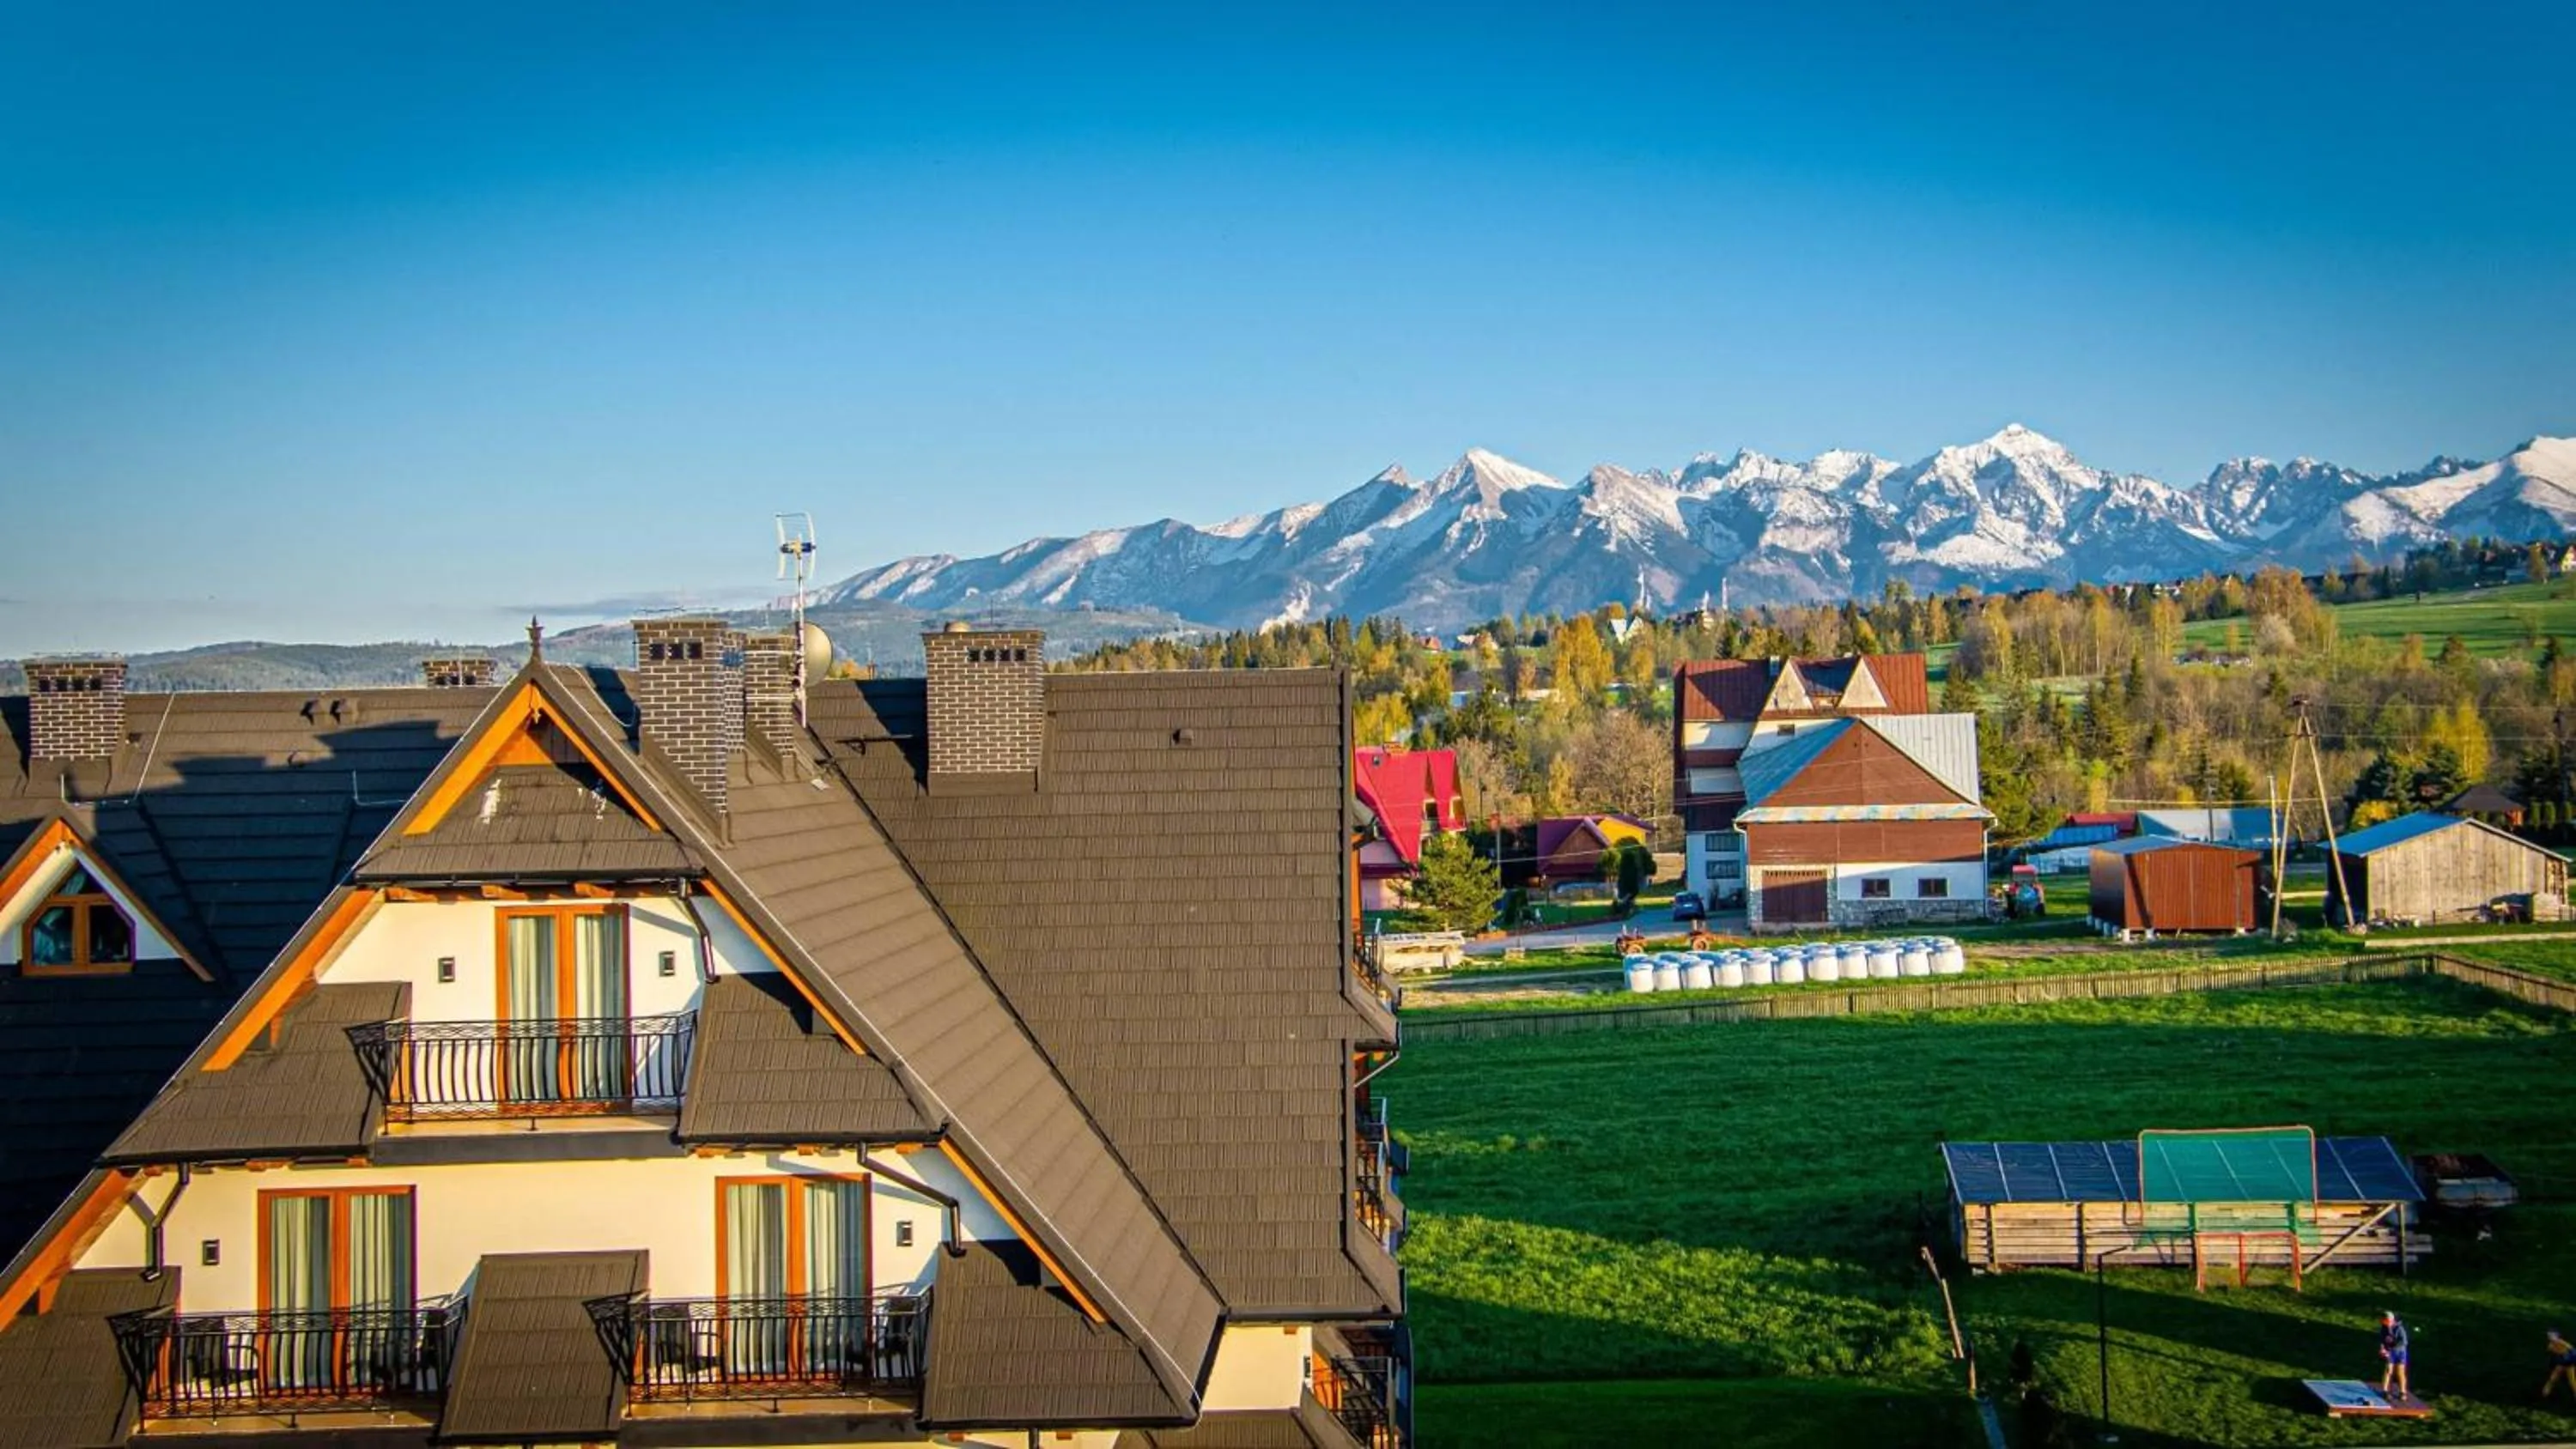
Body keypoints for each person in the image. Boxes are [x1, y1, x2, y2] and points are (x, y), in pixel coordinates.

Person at [2379, 1311, 2411, 1400]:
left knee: (2400, 1372)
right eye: (2384, 1321)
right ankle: (2385, 1391)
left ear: (2392, 1320)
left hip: (2400, 1353)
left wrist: (2393, 1346)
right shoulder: (2384, 1328)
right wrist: (2382, 1349)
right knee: (2388, 1370)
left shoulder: (2399, 1328)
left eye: (2388, 1321)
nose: (2386, 1323)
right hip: (2390, 1353)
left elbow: (2404, 1342)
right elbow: (2382, 1340)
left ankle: (2402, 1392)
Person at [2544, 1330, 2576, 1403]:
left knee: (2571, 1379)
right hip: (2564, 1360)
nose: (2550, 1338)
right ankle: (2547, 1389)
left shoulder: (2561, 1343)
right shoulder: (2553, 1345)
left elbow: (2571, 1351)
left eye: (2551, 1336)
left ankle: (2547, 1389)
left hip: (2568, 1361)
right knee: (2555, 1377)